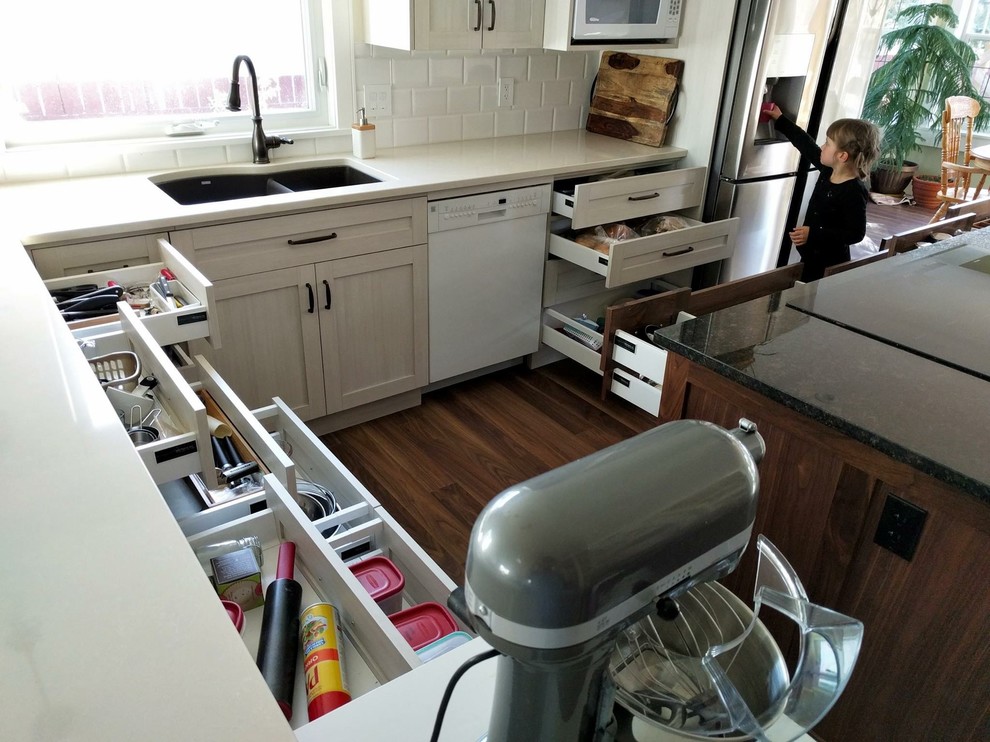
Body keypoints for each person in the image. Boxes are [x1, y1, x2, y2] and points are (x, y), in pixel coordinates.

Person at [765, 104, 880, 281]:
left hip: (830, 265)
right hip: (812, 256)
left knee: (812, 300)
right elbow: (806, 145)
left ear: (842, 156)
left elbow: (855, 233)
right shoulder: (829, 172)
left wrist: (813, 233)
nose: (822, 146)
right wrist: (780, 119)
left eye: (827, 143)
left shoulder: (853, 191)